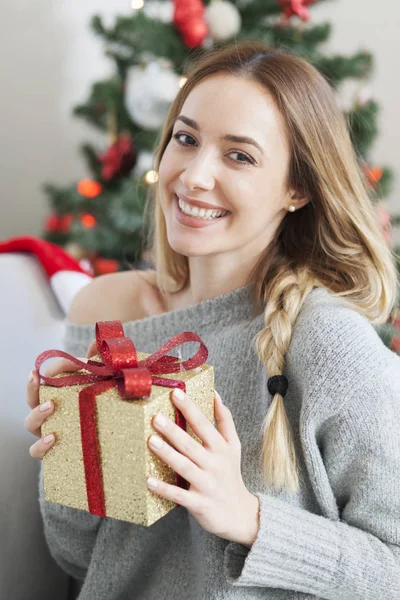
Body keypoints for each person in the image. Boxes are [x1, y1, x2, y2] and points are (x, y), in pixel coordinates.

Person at [25, 40, 400, 600]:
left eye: (240, 155)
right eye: (186, 138)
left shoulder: (326, 340)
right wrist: (69, 468)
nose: (194, 176)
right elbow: (81, 559)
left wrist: (248, 518)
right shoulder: (103, 317)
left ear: (297, 188)